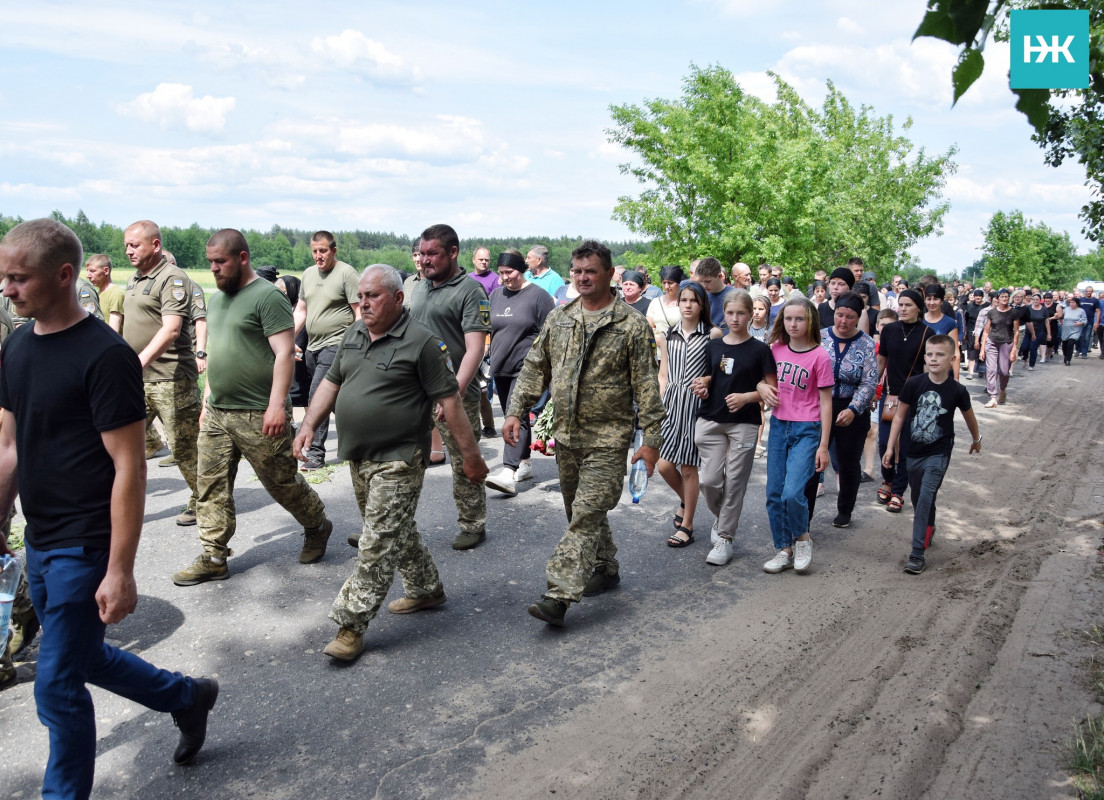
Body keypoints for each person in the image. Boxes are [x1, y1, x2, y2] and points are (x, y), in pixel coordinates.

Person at [0, 219, 218, 798]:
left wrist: (119, 569)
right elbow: (9, 444)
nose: (7, 289)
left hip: (84, 542)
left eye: (19, 278)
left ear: (65, 276)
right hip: (40, 539)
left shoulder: (105, 356)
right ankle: (186, 696)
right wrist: (0, 520)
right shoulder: (17, 345)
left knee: (56, 687)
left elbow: (131, 466)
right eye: (4, 277)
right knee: (85, 658)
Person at [293, 265, 488, 662]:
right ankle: (425, 588)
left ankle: (351, 626)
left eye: (373, 296)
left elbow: (451, 404)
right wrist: (308, 424)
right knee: (394, 530)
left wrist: (472, 458)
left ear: (398, 299)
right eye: (361, 296)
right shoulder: (354, 332)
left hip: (400, 459)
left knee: (377, 542)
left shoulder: (423, 343)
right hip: (359, 456)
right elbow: (331, 381)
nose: (363, 303)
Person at [503, 240, 664, 627]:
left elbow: (647, 386)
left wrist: (651, 442)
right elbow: (534, 367)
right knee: (582, 513)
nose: (582, 277)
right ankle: (606, 568)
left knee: (586, 515)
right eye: (577, 271)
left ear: (610, 274)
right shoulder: (561, 318)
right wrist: (515, 410)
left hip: (609, 440)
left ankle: (558, 595)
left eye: (591, 271)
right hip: (568, 437)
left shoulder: (631, 325)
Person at [170, 230, 333, 586]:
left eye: (220, 262)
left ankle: (317, 525)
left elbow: (283, 354)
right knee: (210, 485)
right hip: (217, 412)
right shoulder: (216, 301)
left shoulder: (267, 298)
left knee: (281, 483)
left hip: (259, 412)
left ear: (242, 258)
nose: (213, 269)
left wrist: (277, 405)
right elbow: (218, 354)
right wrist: (207, 398)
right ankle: (214, 556)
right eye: (210, 262)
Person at [407, 224, 491, 550]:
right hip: (416, 390)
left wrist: (452, 393)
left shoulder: (471, 291)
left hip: (456, 392)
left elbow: (475, 348)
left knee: (463, 460)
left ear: (453, 253)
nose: (425, 261)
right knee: (404, 459)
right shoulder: (419, 287)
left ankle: (473, 523)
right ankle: (389, 523)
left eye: (433, 254)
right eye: (422, 254)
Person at [121, 220, 201, 526]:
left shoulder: (172, 278)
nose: (129, 250)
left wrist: (137, 361)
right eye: (126, 245)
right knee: (122, 444)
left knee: (184, 447)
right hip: (137, 380)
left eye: (135, 245)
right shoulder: (134, 279)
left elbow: (171, 330)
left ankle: (204, 500)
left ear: (155, 245)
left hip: (171, 378)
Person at [883, 335, 981, 574]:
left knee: (925, 497)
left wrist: (977, 439)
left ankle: (917, 554)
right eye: (930, 354)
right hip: (912, 453)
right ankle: (929, 525)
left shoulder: (957, 390)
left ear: (952, 359)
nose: (934, 359)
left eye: (940, 355)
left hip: (939, 453)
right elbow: (899, 416)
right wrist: (890, 446)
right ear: (925, 357)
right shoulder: (914, 384)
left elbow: (969, 417)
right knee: (918, 497)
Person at [691, 290, 776, 566]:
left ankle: (725, 538)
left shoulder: (761, 349)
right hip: (711, 420)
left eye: (741, 313)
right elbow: (712, 375)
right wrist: (703, 385)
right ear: (724, 315)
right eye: (730, 313)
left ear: (751, 314)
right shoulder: (714, 345)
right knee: (709, 481)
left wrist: (747, 397)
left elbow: (772, 389)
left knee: (736, 482)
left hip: (745, 422)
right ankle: (722, 517)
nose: (735, 318)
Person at [757, 297, 832, 574]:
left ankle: (802, 538)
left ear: (810, 320)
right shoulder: (774, 349)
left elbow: (826, 403)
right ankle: (783, 549)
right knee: (774, 493)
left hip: (807, 429)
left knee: (792, 493)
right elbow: (761, 379)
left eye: (799, 319)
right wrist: (761, 387)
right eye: (788, 318)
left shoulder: (820, 356)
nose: (793, 324)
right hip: (778, 425)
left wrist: (823, 445)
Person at [803, 292, 877, 529]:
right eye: (840, 315)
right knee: (813, 460)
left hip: (852, 409)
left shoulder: (865, 344)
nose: (843, 321)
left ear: (858, 318)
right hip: (819, 406)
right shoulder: (820, 337)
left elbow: (869, 382)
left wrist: (854, 409)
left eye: (850, 317)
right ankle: (805, 515)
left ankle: (845, 509)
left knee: (847, 462)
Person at [484, 251, 555, 496]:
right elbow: (488, 329)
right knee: (513, 416)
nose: (504, 278)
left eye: (509, 272)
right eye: (501, 273)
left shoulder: (539, 297)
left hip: (527, 369)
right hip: (501, 366)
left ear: (522, 270)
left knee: (515, 417)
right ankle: (524, 462)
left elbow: (550, 335)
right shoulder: (495, 295)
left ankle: (508, 471)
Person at [292, 231, 361, 470]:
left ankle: (315, 453)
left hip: (337, 345)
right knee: (335, 401)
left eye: (323, 251)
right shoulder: (309, 274)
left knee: (317, 396)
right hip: (313, 346)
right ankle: (361, 438)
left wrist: (357, 344)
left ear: (333, 250)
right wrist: (288, 338)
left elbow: (359, 312)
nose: (318, 256)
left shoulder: (346, 273)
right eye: (314, 251)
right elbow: (301, 310)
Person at [657, 280, 717, 547]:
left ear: (702, 303)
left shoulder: (712, 334)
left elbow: (720, 373)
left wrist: (707, 381)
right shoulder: (668, 334)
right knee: (664, 464)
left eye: (694, 300)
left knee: (689, 467)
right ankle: (687, 500)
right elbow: (663, 373)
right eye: (684, 300)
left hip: (696, 406)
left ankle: (688, 525)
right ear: (677, 303)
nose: (688, 305)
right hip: (671, 404)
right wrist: (660, 402)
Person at [876, 289, 933, 513]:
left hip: (914, 399)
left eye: (908, 305)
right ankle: (887, 480)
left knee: (907, 446)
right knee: (883, 442)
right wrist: (873, 390)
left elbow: (929, 370)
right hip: (889, 395)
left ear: (919, 307)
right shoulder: (889, 330)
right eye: (900, 304)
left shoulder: (928, 333)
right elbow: (881, 362)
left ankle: (899, 491)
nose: (902, 309)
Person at [979, 288, 1019, 408]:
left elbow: (1016, 332)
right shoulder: (992, 312)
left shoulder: (1014, 313)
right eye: (1002, 296)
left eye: (1006, 296)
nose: (1004, 299)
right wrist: (982, 348)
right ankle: (993, 397)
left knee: (1004, 371)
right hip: (992, 342)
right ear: (998, 298)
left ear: (1009, 298)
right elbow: (986, 331)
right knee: (991, 370)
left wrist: (1014, 349)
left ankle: (1002, 389)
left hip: (1006, 343)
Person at [921, 285, 959, 378]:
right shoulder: (919, 320)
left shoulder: (949, 322)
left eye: (936, 299)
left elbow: (955, 352)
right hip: (920, 371)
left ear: (942, 301)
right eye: (929, 299)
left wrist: (956, 378)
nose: (932, 302)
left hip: (943, 372)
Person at [695, 257, 735, 333]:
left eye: (708, 281)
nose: (704, 285)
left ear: (719, 276)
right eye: (701, 281)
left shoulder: (735, 295)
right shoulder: (702, 297)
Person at [84, 254, 124, 332]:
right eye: (87, 271)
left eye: (92, 271)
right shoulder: (97, 293)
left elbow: (113, 331)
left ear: (106, 271)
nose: (88, 276)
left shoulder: (116, 294)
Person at [646, 265, 686, 337]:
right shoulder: (655, 302)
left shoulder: (685, 303)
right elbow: (649, 327)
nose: (667, 287)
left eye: (670, 283)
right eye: (664, 283)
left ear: (678, 283)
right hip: (657, 344)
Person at [1061, 297, 1087, 365]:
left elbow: (1085, 320)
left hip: (1075, 330)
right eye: (1070, 302)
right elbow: (1060, 316)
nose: (1071, 304)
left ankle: (1068, 360)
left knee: (1070, 344)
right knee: (1064, 346)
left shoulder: (1081, 311)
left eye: (1073, 302)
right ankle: (1065, 356)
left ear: (1077, 303)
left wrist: (1080, 323)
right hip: (1066, 330)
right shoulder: (1066, 309)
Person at [1078, 285, 1100, 358]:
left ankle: (1084, 353)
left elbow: (1098, 311)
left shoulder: (1095, 301)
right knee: (1079, 336)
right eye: (1087, 291)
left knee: (1087, 338)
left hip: (1089, 321)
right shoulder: (1080, 300)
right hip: (1080, 321)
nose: (1088, 292)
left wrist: (1097, 321)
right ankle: (1078, 350)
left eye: (1090, 291)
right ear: (1085, 291)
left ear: (1092, 292)